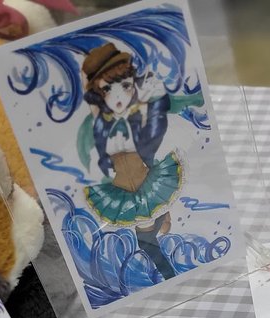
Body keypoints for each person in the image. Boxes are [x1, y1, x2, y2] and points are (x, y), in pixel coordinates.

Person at [79, 41, 194, 280]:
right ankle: (165, 241)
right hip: (124, 189)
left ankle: (170, 272)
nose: (118, 96)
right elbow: (92, 102)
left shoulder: (137, 113)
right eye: (107, 89)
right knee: (147, 239)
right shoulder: (103, 120)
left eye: (125, 86)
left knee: (146, 240)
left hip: (144, 182)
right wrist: (85, 74)